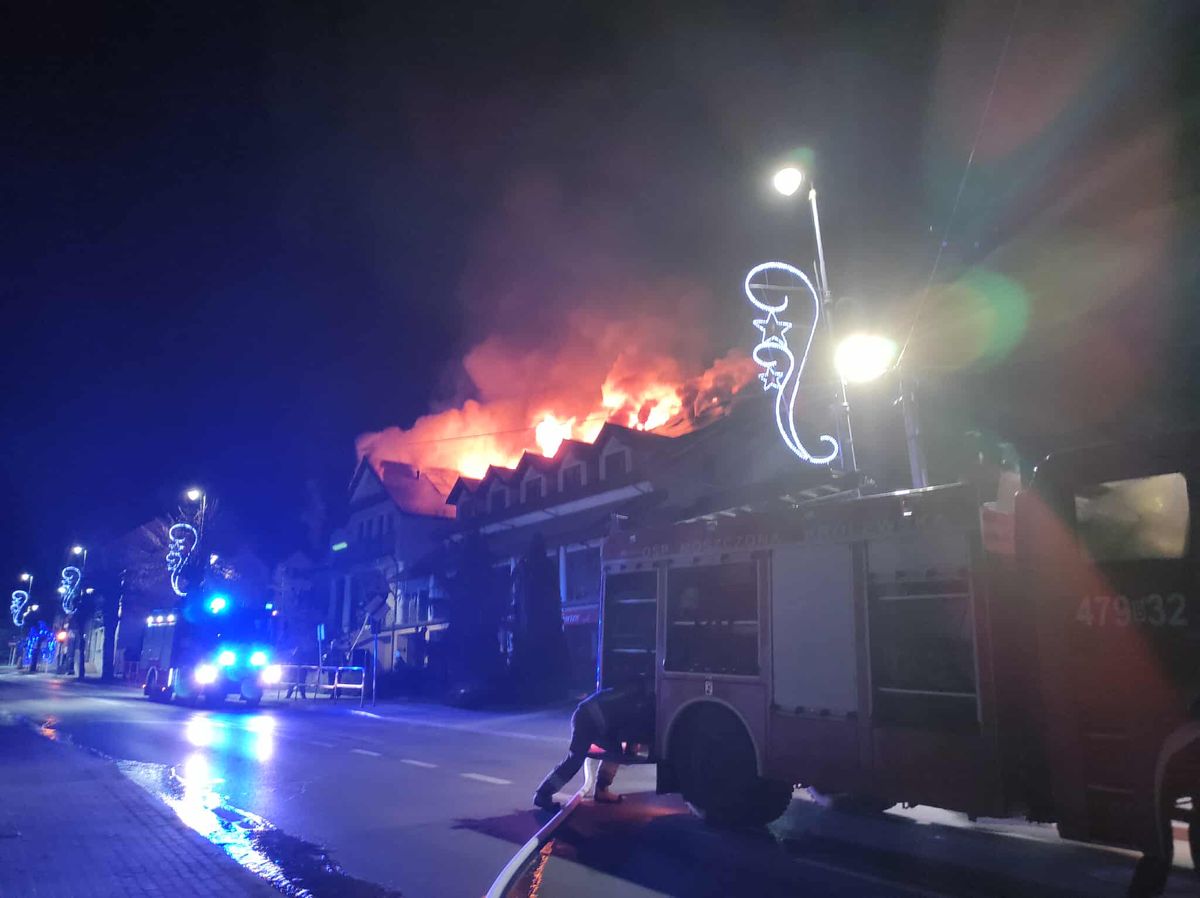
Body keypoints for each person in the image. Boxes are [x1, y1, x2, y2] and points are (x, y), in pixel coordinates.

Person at [533, 679, 653, 812]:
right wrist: (632, 750)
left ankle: (602, 792)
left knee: (615, 752)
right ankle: (543, 794)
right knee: (575, 760)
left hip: (594, 721)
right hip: (587, 720)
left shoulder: (631, 693)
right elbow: (630, 734)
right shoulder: (638, 705)